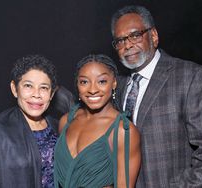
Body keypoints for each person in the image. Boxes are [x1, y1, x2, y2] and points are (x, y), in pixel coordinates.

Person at [110, 5, 202, 188]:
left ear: (154, 36)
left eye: (135, 35)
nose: (127, 45)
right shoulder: (118, 84)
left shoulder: (189, 76)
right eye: (120, 41)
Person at [0, 54, 74, 188]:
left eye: (43, 88)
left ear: (51, 94)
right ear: (15, 89)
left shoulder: (57, 127)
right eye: (28, 86)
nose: (36, 94)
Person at [54, 54, 141, 188]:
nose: (93, 90)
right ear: (77, 85)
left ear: (114, 83)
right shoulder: (66, 121)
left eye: (101, 81)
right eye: (84, 82)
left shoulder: (123, 131)